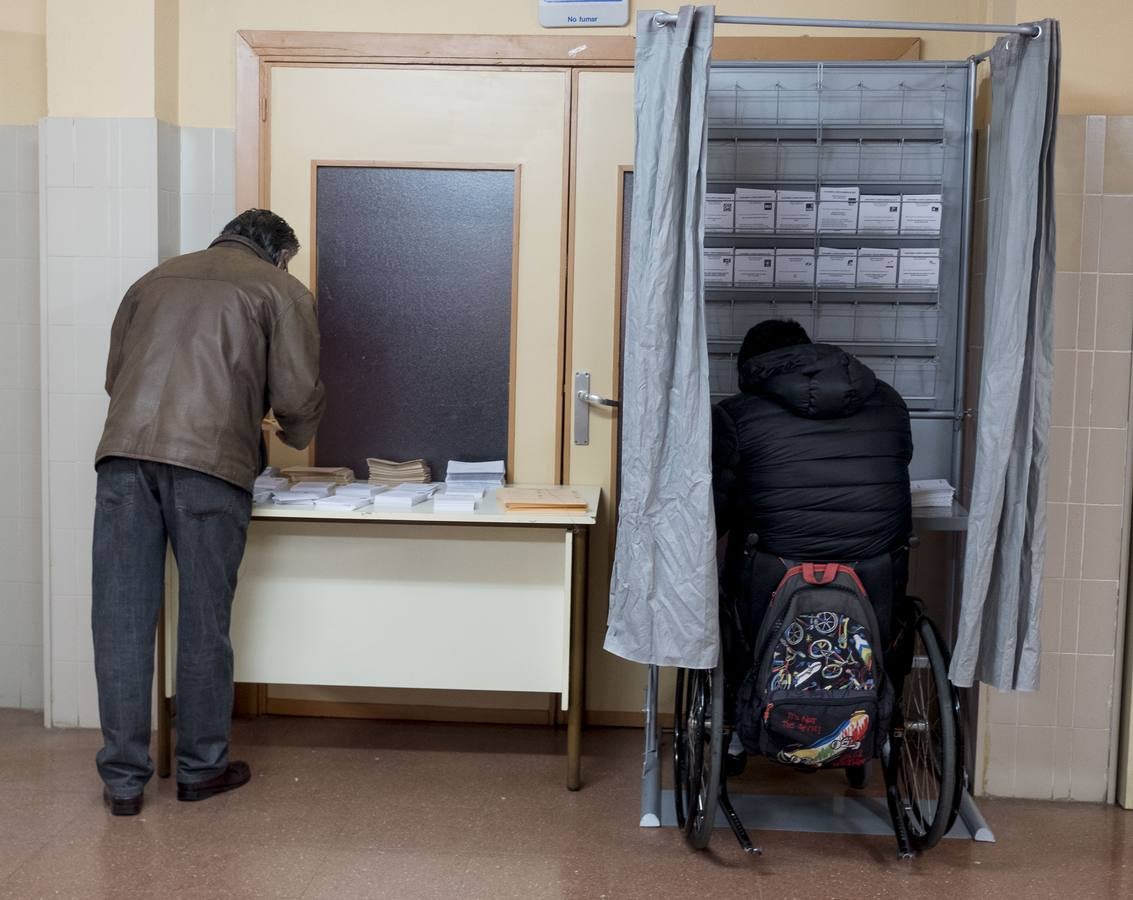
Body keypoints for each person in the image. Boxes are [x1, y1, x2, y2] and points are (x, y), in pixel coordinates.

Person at [92, 209, 325, 815]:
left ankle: (122, 782)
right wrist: (295, 433)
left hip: (122, 459)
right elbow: (298, 396)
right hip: (209, 466)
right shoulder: (281, 289)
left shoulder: (153, 280)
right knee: (203, 621)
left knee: (120, 620)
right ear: (279, 254)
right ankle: (200, 769)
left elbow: (116, 377)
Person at [711, 319, 913, 769]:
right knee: (893, 614)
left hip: (772, 578)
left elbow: (715, 514)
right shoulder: (890, 405)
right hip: (875, 575)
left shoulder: (735, 416)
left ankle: (742, 731)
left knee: (729, 585)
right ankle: (875, 724)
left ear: (750, 369)